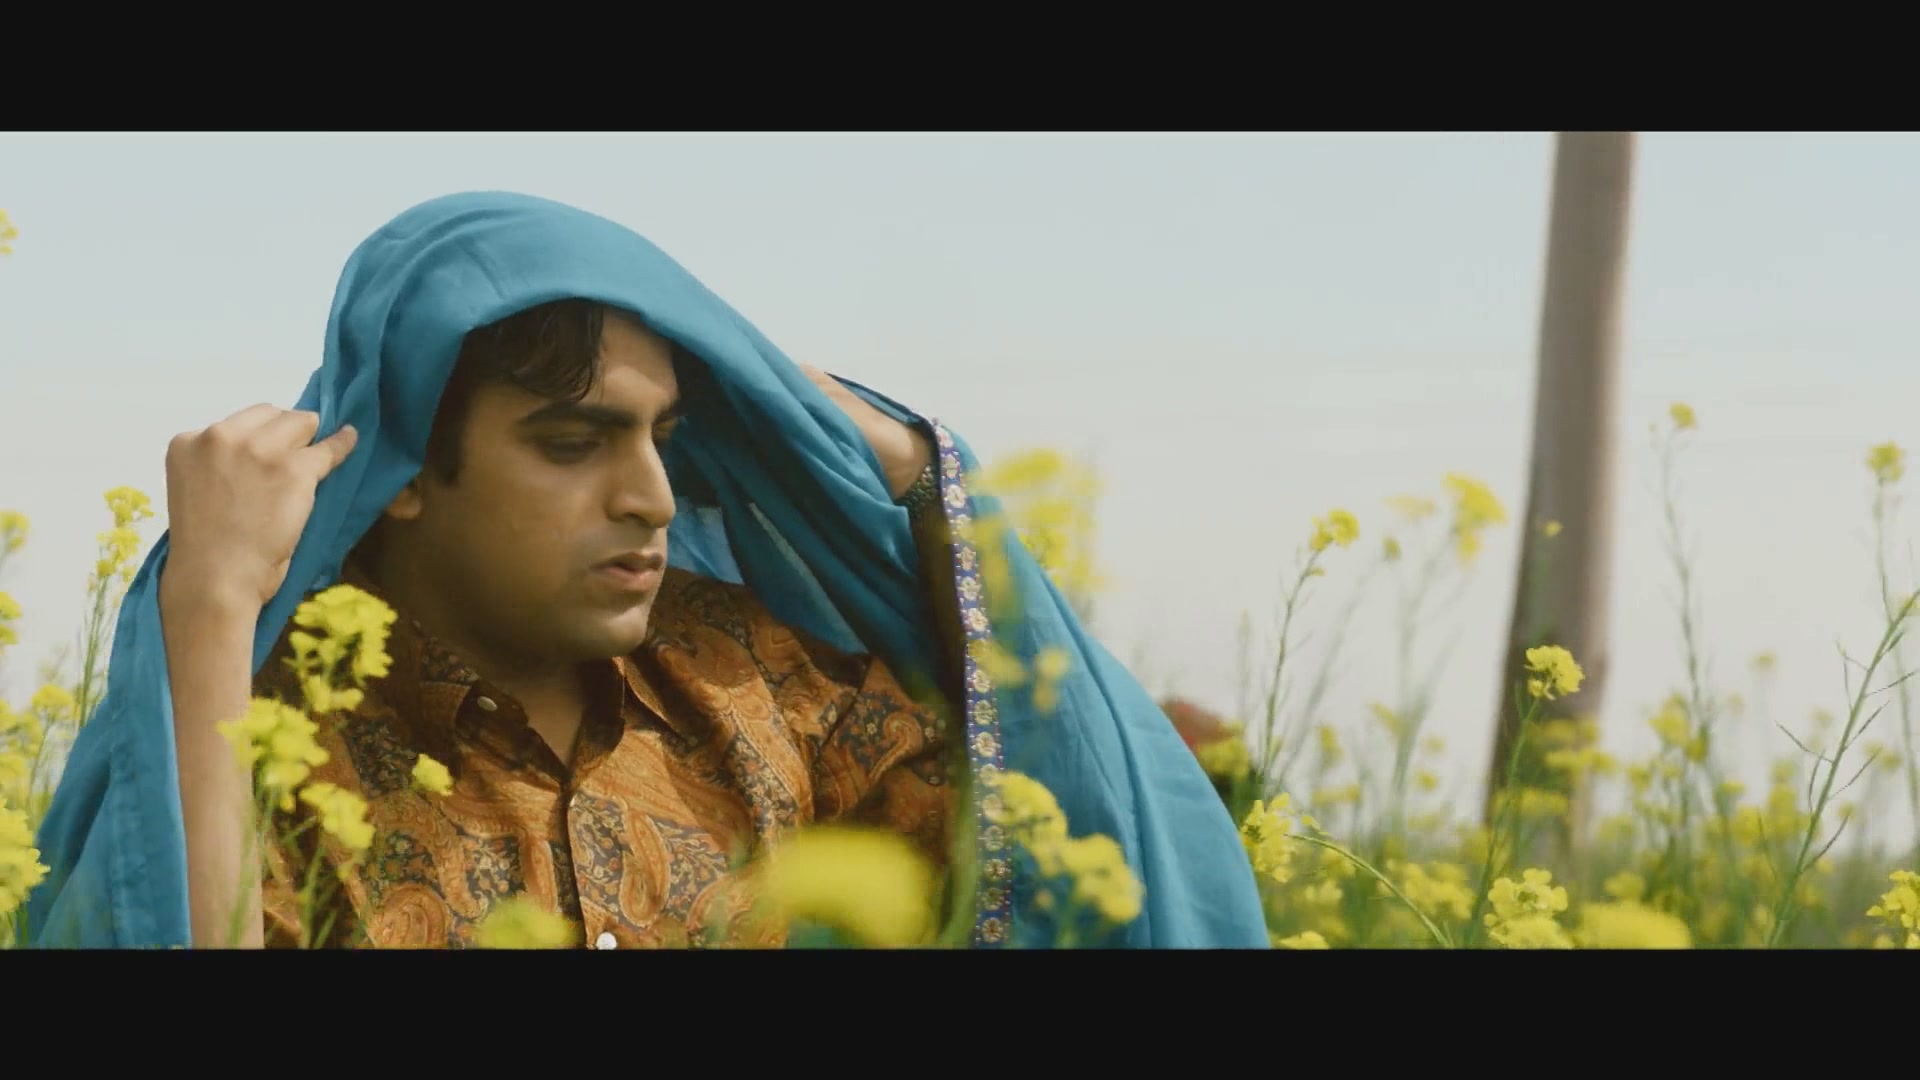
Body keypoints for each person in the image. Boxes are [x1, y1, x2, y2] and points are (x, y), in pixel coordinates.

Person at [26, 191, 1270, 949]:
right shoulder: (268, 736)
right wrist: (209, 605)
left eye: (664, 438)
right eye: (573, 444)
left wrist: (915, 471)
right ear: (405, 463)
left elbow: (1077, 846)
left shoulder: (752, 680)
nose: (652, 496)